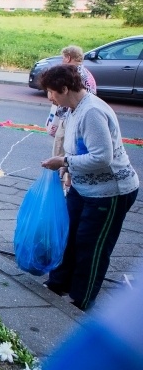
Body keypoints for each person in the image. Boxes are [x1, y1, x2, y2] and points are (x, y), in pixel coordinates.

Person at [40, 64, 138, 311]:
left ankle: (81, 298)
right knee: (69, 234)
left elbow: (101, 157)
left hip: (111, 191)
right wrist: (66, 169)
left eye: (51, 92)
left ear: (64, 88)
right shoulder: (72, 109)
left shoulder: (92, 112)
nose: (49, 97)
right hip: (83, 187)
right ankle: (58, 283)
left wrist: (63, 161)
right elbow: (76, 148)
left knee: (91, 246)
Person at [45, 46, 97, 188]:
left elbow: (101, 157)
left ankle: (59, 185)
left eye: (63, 58)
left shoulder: (70, 73)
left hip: (69, 117)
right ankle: (70, 182)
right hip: (78, 117)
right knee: (75, 151)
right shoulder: (88, 74)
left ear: (68, 58)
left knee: (61, 149)